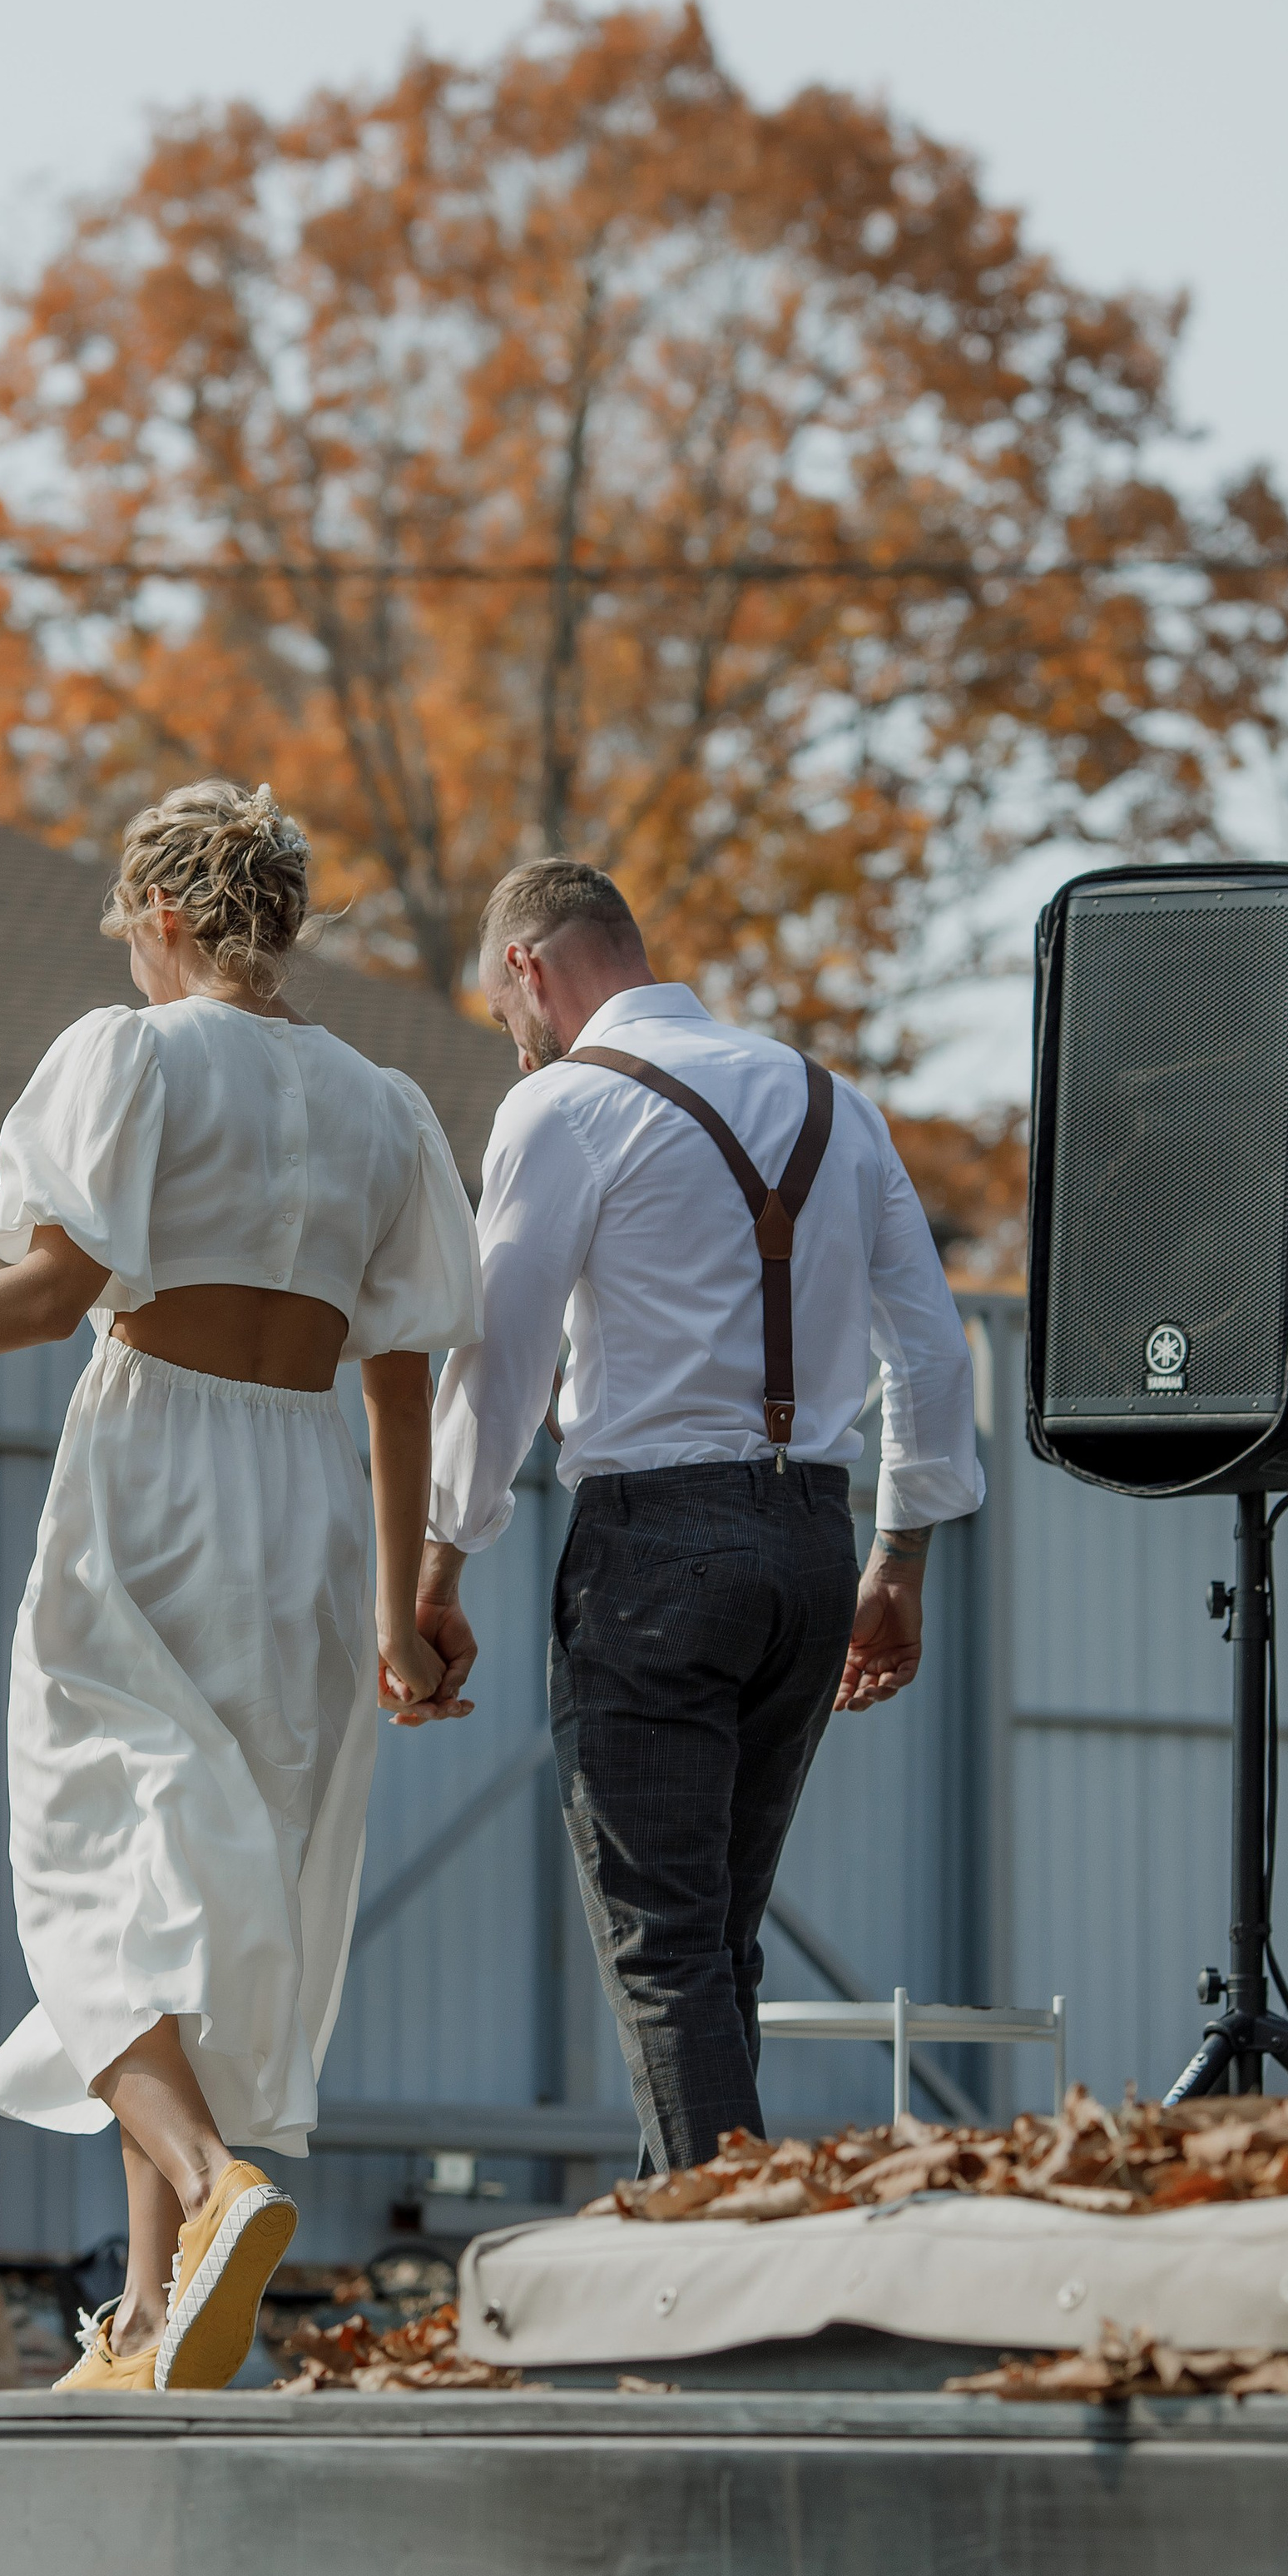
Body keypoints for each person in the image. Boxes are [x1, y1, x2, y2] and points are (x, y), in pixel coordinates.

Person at [0, 782, 482, 2392]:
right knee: (202, 1906)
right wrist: (400, 1608)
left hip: (154, 1489)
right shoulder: (386, 1106)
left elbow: (49, 1298)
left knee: (86, 1880)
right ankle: (144, 2315)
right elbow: (404, 1381)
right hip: (314, 1509)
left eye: (132, 929)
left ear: (169, 919)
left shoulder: (129, 1056)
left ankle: (211, 2184)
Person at [414, 859, 983, 2176]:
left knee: (661, 1945)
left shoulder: (564, 1107)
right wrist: (902, 1558)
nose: (516, 1045)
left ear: (529, 970)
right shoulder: (840, 1107)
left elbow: (499, 1357)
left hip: (654, 1554)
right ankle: (739, 2243)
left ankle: (727, 2274)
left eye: (507, 1018)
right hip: (810, 1547)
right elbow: (936, 1355)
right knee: (719, 1936)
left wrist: (441, 1558)